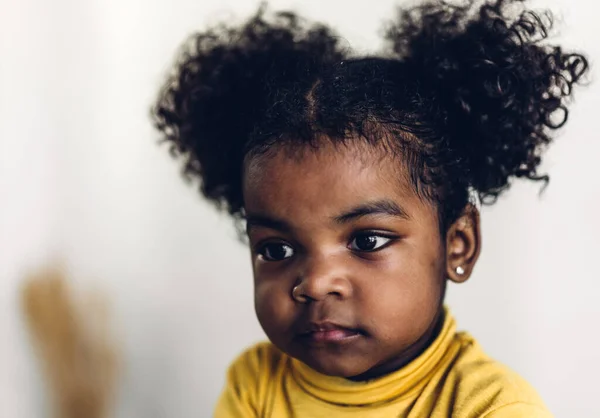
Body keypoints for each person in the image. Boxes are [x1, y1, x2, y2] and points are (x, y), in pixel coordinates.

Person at [151, 0, 588, 416]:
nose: (317, 284)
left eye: (366, 240)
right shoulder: (258, 384)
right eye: (277, 250)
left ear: (458, 245)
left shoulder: (492, 407)